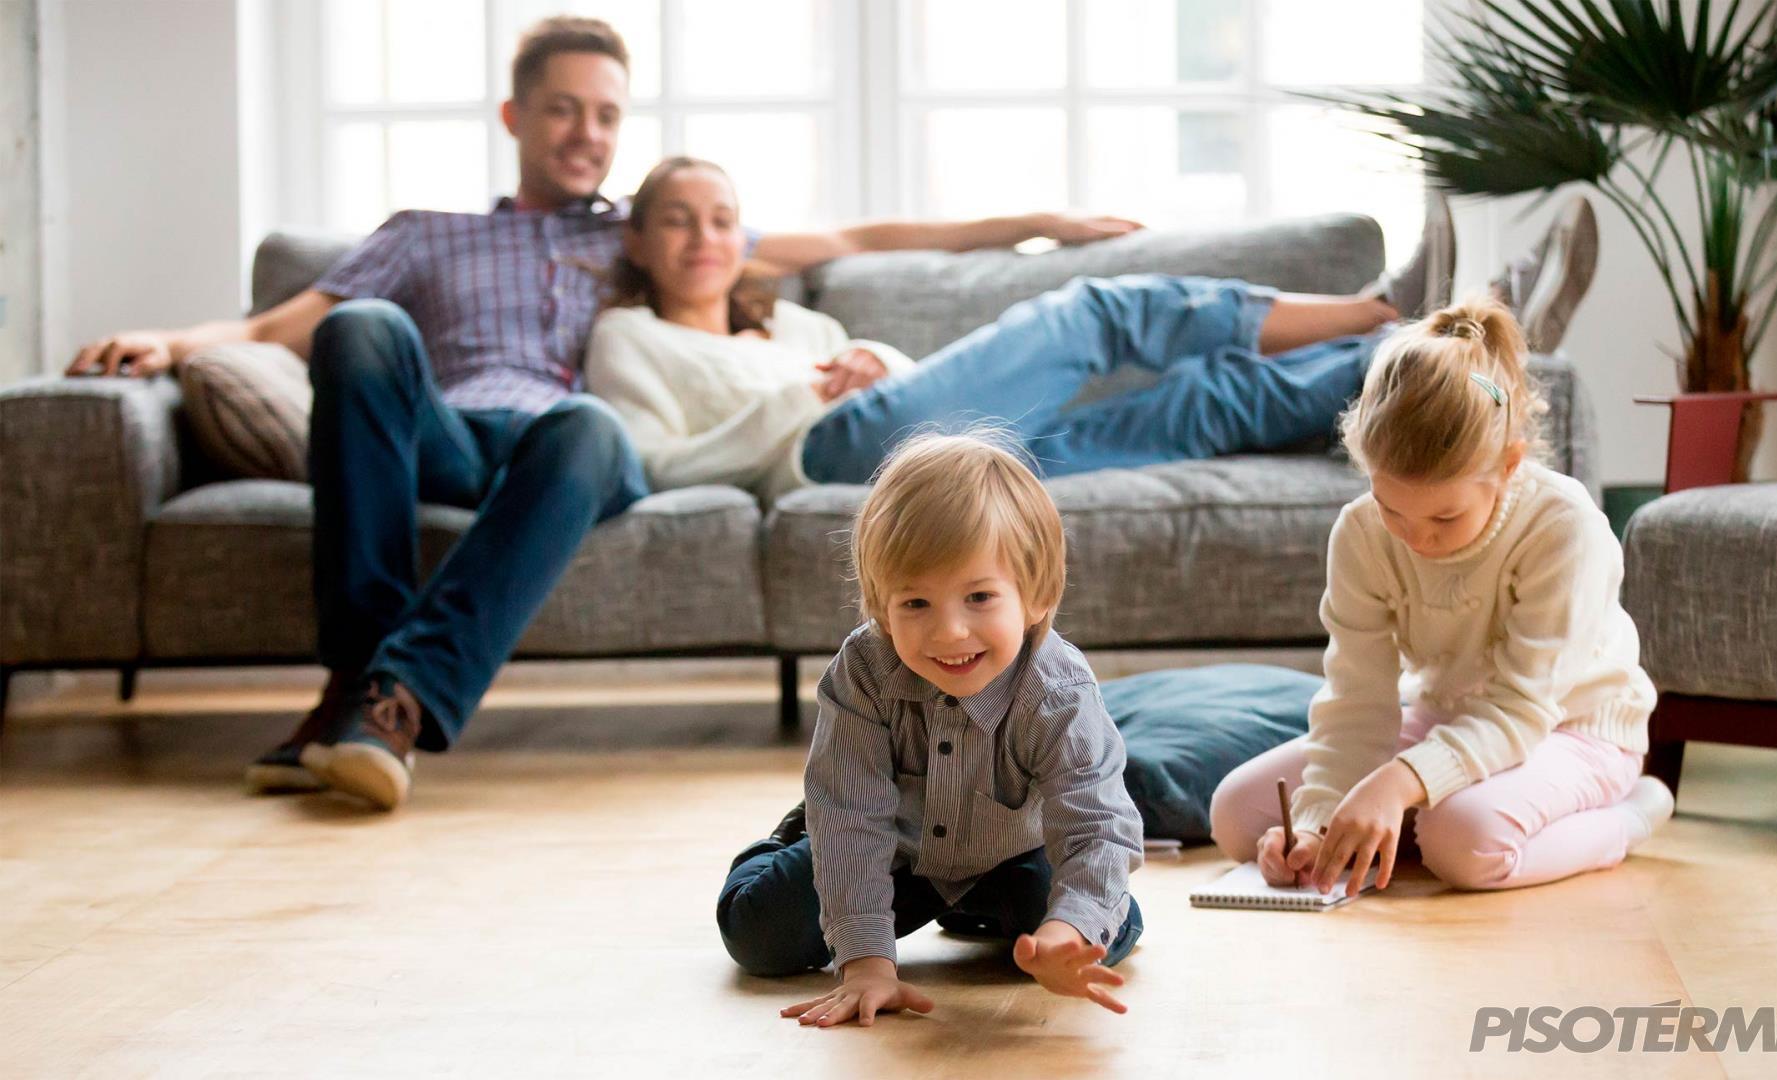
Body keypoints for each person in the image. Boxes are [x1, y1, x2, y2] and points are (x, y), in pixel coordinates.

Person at [64, 16, 1152, 812]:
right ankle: (361, 684)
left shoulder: (638, 232)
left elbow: (859, 243)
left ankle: (386, 705)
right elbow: (286, 321)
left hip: (574, 453)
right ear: (515, 116)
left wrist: (1038, 220)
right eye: (562, 109)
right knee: (359, 331)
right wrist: (170, 343)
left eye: (605, 114)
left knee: (589, 426)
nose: (586, 132)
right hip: (451, 436)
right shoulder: (426, 231)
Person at [585, 157, 1464, 501]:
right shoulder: (630, 338)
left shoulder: (795, 321)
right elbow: (651, 465)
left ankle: (1426, 351)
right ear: (636, 238)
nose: (704, 238)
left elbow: (906, 384)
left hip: (935, 459)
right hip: (834, 453)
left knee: (1204, 403)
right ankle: (1379, 304)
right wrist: (797, 397)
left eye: (721, 219)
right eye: (676, 219)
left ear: (745, 239)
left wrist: (869, 359)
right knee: (1090, 313)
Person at [1207, 298, 1674, 895]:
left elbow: (1522, 709)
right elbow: (1356, 699)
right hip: (1443, 719)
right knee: (1236, 816)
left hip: (1573, 727)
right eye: (1391, 508)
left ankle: (1629, 813)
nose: (1416, 538)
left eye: (1445, 518)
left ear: (1508, 466)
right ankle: (1403, 821)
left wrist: (1397, 783)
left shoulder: (1564, 527)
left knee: (1463, 845)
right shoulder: (1360, 531)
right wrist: (1318, 826)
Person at [715, 433, 1144, 1027]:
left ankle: (984, 908)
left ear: (1037, 596)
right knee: (757, 934)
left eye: (979, 597)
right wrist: (865, 963)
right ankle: (791, 836)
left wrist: (1064, 931)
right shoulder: (864, 671)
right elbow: (854, 819)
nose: (949, 633)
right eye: (915, 604)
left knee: (1101, 933)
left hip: (1014, 851)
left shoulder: (1058, 690)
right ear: (879, 606)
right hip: (895, 848)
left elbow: (1096, 825)